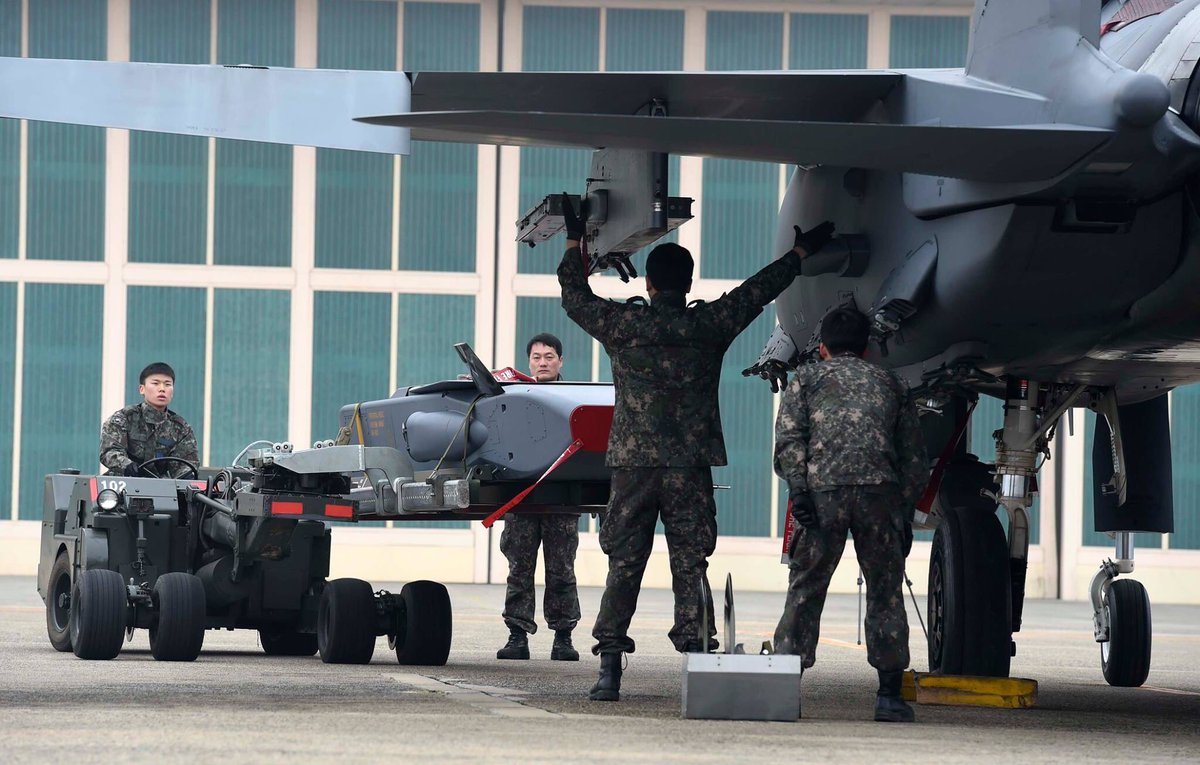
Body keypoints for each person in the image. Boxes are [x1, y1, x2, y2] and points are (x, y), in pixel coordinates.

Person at [555, 192, 835, 701]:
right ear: (687, 284)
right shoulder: (707, 325)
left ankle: (609, 669)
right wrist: (798, 254)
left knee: (625, 562)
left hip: (635, 465)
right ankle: (698, 657)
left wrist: (575, 239)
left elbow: (574, 298)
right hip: (689, 464)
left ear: (648, 283)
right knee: (690, 561)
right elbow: (755, 293)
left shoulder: (625, 325)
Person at [771, 306, 927, 723]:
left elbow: (789, 439)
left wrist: (799, 490)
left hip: (823, 495)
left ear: (822, 347)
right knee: (885, 591)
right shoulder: (892, 382)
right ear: (867, 347)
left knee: (806, 588)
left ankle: (785, 690)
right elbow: (914, 459)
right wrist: (903, 511)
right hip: (880, 496)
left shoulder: (806, 379)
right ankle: (889, 696)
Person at [495, 333, 582, 661]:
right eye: (536, 357)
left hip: (561, 499)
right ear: (529, 362)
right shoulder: (516, 397)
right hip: (524, 499)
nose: (542, 363)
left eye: (549, 356)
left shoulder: (574, 398)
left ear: (561, 361)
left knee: (562, 571)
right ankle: (517, 636)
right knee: (519, 569)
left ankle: (563, 638)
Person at [99, 362, 199, 477]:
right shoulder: (124, 418)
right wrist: (127, 465)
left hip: (160, 486)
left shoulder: (180, 428)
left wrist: (185, 477)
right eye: (155, 383)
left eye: (167, 384)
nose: (162, 389)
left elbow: (187, 464)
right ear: (142, 389)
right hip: (123, 482)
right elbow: (109, 451)